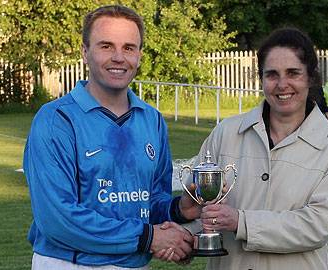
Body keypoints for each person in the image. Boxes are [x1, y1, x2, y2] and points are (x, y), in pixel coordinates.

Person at [23, 5, 200, 270]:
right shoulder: (56, 120)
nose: (119, 57)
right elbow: (57, 219)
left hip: (135, 263)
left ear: (139, 56)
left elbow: (148, 202)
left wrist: (179, 209)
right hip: (70, 264)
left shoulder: (151, 119)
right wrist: (149, 238)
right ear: (85, 52)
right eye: (106, 46)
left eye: (129, 48)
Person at [187, 27, 328, 269]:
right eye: (272, 74)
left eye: (293, 73)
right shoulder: (226, 132)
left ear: (310, 77)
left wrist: (241, 222)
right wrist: (184, 237)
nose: (282, 84)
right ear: (262, 79)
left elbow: (317, 226)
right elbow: (199, 205)